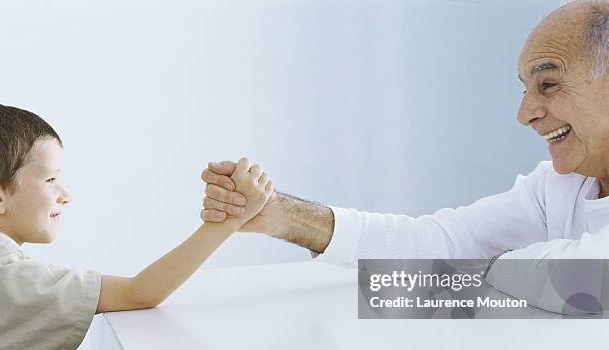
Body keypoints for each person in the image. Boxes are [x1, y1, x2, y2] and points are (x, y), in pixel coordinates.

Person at [200, 0, 609, 266]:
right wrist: (283, 216)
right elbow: (441, 244)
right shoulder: (558, 188)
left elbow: (564, 285)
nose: (525, 114)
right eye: (526, 89)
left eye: (548, 84)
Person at [0, 104, 273, 350]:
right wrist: (230, 220)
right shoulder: (9, 278)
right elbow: (138, 293)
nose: (65, 195)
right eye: (51, 179)